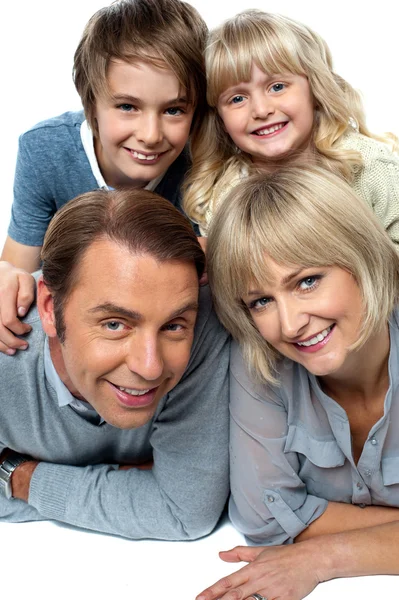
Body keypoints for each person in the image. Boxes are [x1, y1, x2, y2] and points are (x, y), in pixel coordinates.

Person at [195, 166, 399, 600]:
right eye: (262, 301)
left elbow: (291, 523)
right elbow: (265, 518)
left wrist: (324, 557)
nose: (290, 325)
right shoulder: (260, 364)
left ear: (361, 259)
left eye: (307, 282)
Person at [0, 188, 230, 540]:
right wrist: (130, 482)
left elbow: (183, 510)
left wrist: (21, 478)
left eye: (172, 326)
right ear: (49, 308)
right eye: (114, 325)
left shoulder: (204, 327)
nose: (150, 367)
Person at [0, 0, 208, 353]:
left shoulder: (201, 158)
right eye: (128, 106)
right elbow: (18, 267)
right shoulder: (46, 150)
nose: (151, 134)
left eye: (174, 110)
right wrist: (7, 278)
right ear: (91, 103)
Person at [183, 9, 399, 237]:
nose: (261, 110)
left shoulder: (370, 166)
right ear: (220, 118)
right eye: (237, 99)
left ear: (315, 88)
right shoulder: (224, 196)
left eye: (277, 87)